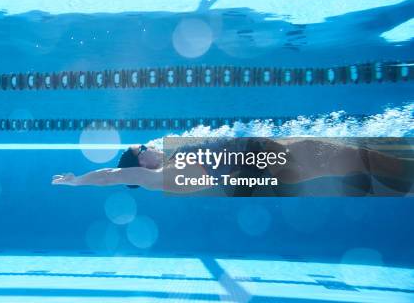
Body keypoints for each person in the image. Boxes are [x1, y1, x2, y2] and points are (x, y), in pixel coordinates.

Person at [51, 138, 413, 195]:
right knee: (330, 154)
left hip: (250, 167)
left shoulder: (165, 169)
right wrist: (78, 180)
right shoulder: (148, 176)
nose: (150, 145)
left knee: (341, 160)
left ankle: (400, 177)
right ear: (139, 160)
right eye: (142, 147)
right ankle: (401, 174)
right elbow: (112, 175)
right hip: (251, 161)